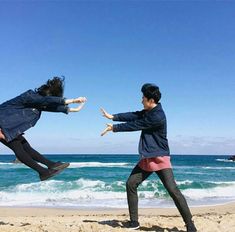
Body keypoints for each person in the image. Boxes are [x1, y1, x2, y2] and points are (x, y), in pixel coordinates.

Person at [100, 83, 197, 231]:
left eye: (143, 98)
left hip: (159, 158)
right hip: (147, 158)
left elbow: (137, 124)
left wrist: (114, 128)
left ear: (151, 100)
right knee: (131, 184)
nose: (141, 101)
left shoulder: (157, 116)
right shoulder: (148, 111)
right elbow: (135, 115)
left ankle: (190, 225)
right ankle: (134, 222)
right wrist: (113, 117)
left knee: (173, 190)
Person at [0, 77, 87, 181]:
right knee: (17, 147)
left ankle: (51, 165)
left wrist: (75, 109)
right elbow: (46, 101)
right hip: (3, 125)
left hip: (9, 127)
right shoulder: (30, 96)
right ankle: (43, 172)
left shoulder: (38, 103)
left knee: (26, 147)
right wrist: (72, 100)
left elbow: (51, 106)